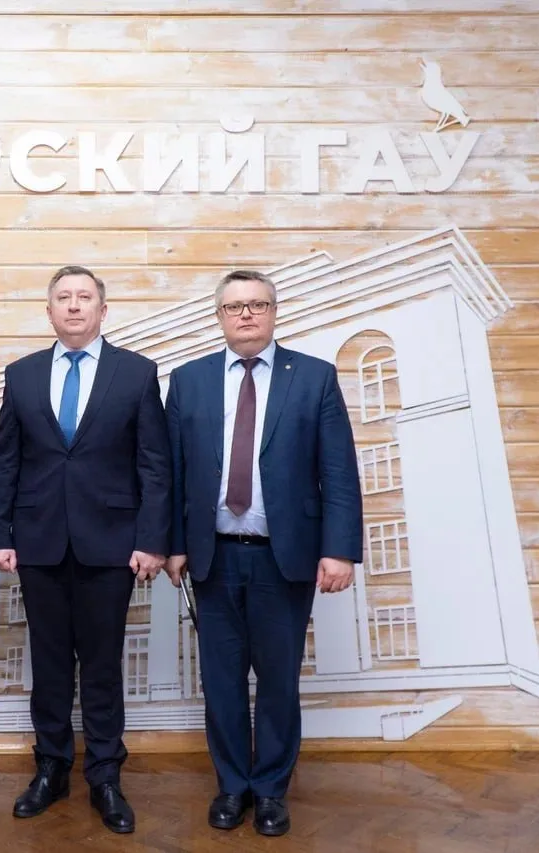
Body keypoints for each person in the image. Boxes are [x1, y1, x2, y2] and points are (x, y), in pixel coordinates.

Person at [163, 269, 363, 837]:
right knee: (221, 681)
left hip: (285, 558)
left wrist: (340, 550)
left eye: (257, 304)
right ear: (219, 317)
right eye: (234, 307)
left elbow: (338, 471)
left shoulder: (315, 378)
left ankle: (271, 790)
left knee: (278, 681)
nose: (246, 315)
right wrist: (172, 545)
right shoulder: (189, 381)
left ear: (274, 311)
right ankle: (232, 786)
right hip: (213, 557)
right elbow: (172, 473)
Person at [0, 265, 171, 835]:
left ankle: (106, 775)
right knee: (47, 663)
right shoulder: (21, 375)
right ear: (49, 311)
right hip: (38, 542)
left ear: (102, 310)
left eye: (83, 297)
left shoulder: (136, 373)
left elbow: (154, 464)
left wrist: (151, 540)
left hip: (111, 544)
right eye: (62, 298)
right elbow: (4, 461)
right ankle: (51, 768)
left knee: (102, 665)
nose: (73, 306)